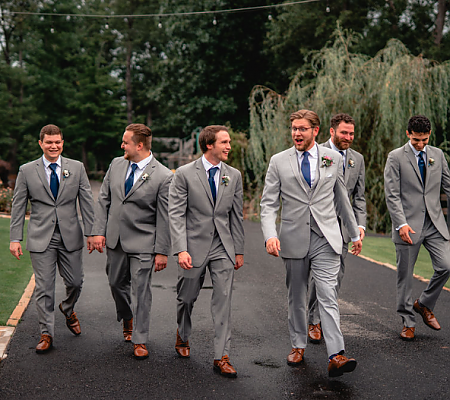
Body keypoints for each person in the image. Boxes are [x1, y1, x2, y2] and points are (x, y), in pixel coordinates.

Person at [260, 109, 362, 377]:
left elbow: (342, 199)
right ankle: (297, 345)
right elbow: (268, 203)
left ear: (315, 131)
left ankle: (336, 354)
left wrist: (353, 234)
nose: (297, 133)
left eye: (302, 128)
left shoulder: (333, 158)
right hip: (293, 239)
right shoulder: (278, 161)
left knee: (328, 295)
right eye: (294, 128)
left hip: (327, 238)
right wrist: (270, 234)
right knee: (296, 296)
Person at [9, 124, 95, 353]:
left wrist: (92, 233)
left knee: (75, 282)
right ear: (41, 144)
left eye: (57, 142)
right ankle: (46, 334)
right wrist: (15, 238)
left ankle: (68, 308)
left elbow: (86, 202)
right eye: (49, 142)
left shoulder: (76, 168)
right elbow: (18, 206)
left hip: (70, 235)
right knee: (44, 288)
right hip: (40, 237)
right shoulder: (27, 170)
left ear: (62, 143)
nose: (53, 146)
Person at [91, 123, 172, 360]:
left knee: (142, 291)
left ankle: (140, 339)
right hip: (115, 239)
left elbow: (164, 217)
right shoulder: (116, 164)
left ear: (139, 145)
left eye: (125, 142)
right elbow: (104, 198)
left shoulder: (164, 176)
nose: (121, 145)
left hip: (145, 242)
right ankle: (127, 316)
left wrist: (162, 251)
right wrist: (98, 231)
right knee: (116, 284)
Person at [169, 125, 244, 378]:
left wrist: (239, 250)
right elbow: (176, 214)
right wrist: (180, 249)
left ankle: (221, 356)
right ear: (209, 145)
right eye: (224, 142)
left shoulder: (233, 175)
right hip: (192, 247)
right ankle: (183, 333)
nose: (229, 146)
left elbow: (237, 216)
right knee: (186, 298)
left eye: (229, 142)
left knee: (223, 299)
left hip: (223, 246)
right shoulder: (184, 173)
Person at [384, 115, 450, 341]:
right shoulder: (395, 157)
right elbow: (391, 194)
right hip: (408, 226)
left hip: (434, 224)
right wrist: (400, 223)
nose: (420, 144)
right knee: (405, 276)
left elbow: (448, 186)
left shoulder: (438, 155)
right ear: (407, 134)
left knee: (446, 266)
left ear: (429, 135)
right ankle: (408, 321)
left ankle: (423, 304)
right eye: (415, 140)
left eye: (424, 139)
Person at [307, 113, 366, 344]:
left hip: (342, 229)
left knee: (335, 277)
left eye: (351, 133)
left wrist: (358, 226)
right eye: (344, 132)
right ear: (331, 132)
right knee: (317, 277)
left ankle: (319, 318)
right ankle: (313, 320)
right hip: (317, 225)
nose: (348, 137)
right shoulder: (316, 153)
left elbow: (359, 197)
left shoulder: (357, 159)